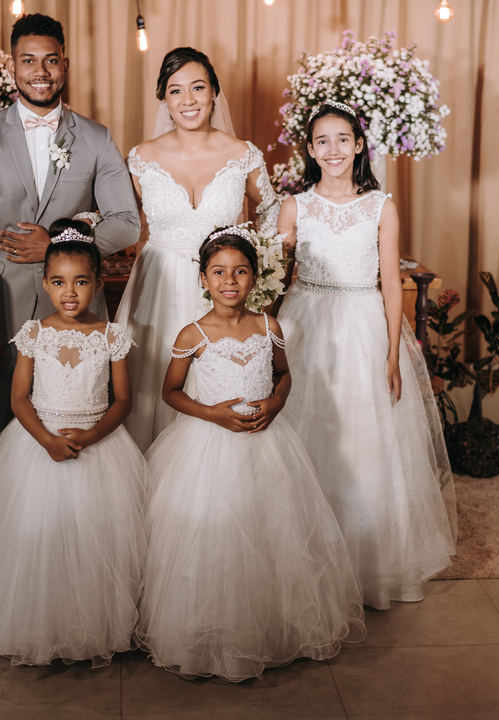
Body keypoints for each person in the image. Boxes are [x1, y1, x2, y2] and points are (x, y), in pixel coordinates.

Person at [137, 227, 364, 682]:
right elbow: (170, 392)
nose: (229, 281)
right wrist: (211, 414)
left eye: (240, 271)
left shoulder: (269, 327)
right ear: (203, 279)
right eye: (218, 272)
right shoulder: (193, 333)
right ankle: (207, 633)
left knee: (271, 530)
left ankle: (269, 626)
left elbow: (284, 376)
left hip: (267, 446)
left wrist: (277, 404)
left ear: (255, 277)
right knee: (213, 535)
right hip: (207, 446)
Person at [0, 219, 146, 667]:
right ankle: (34, 623)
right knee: (36, 533)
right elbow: (19, 397)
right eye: (59, 282)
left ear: (98, 283)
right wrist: (46, 440)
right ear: (44, 283)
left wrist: (90, 435)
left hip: (97, 444)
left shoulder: (111, 336)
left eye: (81, 282)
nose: (70, 292)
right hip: (36, 445)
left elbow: (123, 401)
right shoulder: (33, 334)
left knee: (95, 535)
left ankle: (91, 623)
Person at [276, 101, 456, 610]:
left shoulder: (381, 206)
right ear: (310, 150)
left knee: (361, 437)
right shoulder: (295, 205)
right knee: (305, 430)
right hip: (306, 322)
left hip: (362, 322)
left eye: (342, 139)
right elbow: (273, 270)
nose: (332, 149)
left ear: (358, 145)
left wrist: (395, 353)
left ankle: (365, 562)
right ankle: (304, 557)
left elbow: (390, 283)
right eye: (321, 141)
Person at [0, 13, 140, 441]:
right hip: (3, 302)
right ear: (13, 66)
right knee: (1, 422)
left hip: (79, 307)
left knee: (83, 422)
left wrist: (54, 244)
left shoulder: (96, 137)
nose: (41, 72)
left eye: (51, 60)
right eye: (29, 61)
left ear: (65, 66)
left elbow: (127, 225)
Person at [115, 47, 281, 449]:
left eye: (197, 88)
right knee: (153, 384)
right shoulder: (141, 158)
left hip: (223, 288)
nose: (187, 100)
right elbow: (117, 218)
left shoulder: (243, 153)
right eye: (175, 91)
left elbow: (272, 211)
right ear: (164, 100)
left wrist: (260, 266)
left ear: (214, 94)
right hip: (156, 288)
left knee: (218, 389)